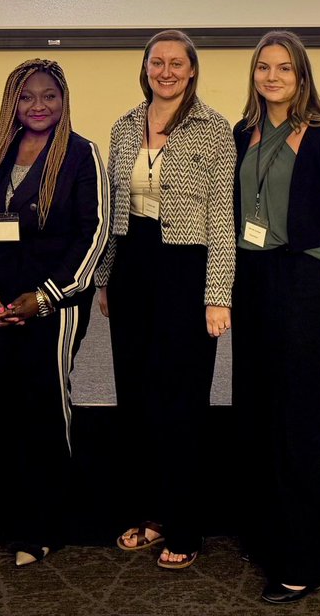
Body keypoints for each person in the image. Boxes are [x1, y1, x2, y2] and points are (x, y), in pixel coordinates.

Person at [0, 59, 109, 566]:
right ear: (11, 103)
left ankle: (40, 525)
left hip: (52, 306)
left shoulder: (83, 156)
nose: (38, 106)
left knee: (40, 409)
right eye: (26, 97)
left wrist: (44, 297)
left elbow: (95, 236)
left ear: (64, 101)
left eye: (49, 96)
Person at [94, 29, 236, 570]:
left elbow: (222, 219)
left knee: (182, 401)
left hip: (187, 269)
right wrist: (106, 277)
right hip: (132, 267)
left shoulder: (214, 129)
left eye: (178, 63)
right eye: (158, 62)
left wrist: (218, 295)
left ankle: (184, 525)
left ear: (193, 70)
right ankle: (147, 513)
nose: (167, 71)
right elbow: (113, 212)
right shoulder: (125, 126)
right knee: (136, 397)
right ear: (146, 67)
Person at [231, 31, 320, 604]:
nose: (273, 76)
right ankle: (266, 533)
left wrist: (319, 277)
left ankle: (305, 557)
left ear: (302, 76)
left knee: (298, 415)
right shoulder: (243, 133)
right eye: (264, 67)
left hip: (301, 282)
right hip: (251, 282)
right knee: (255, 406)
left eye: (285, 68)